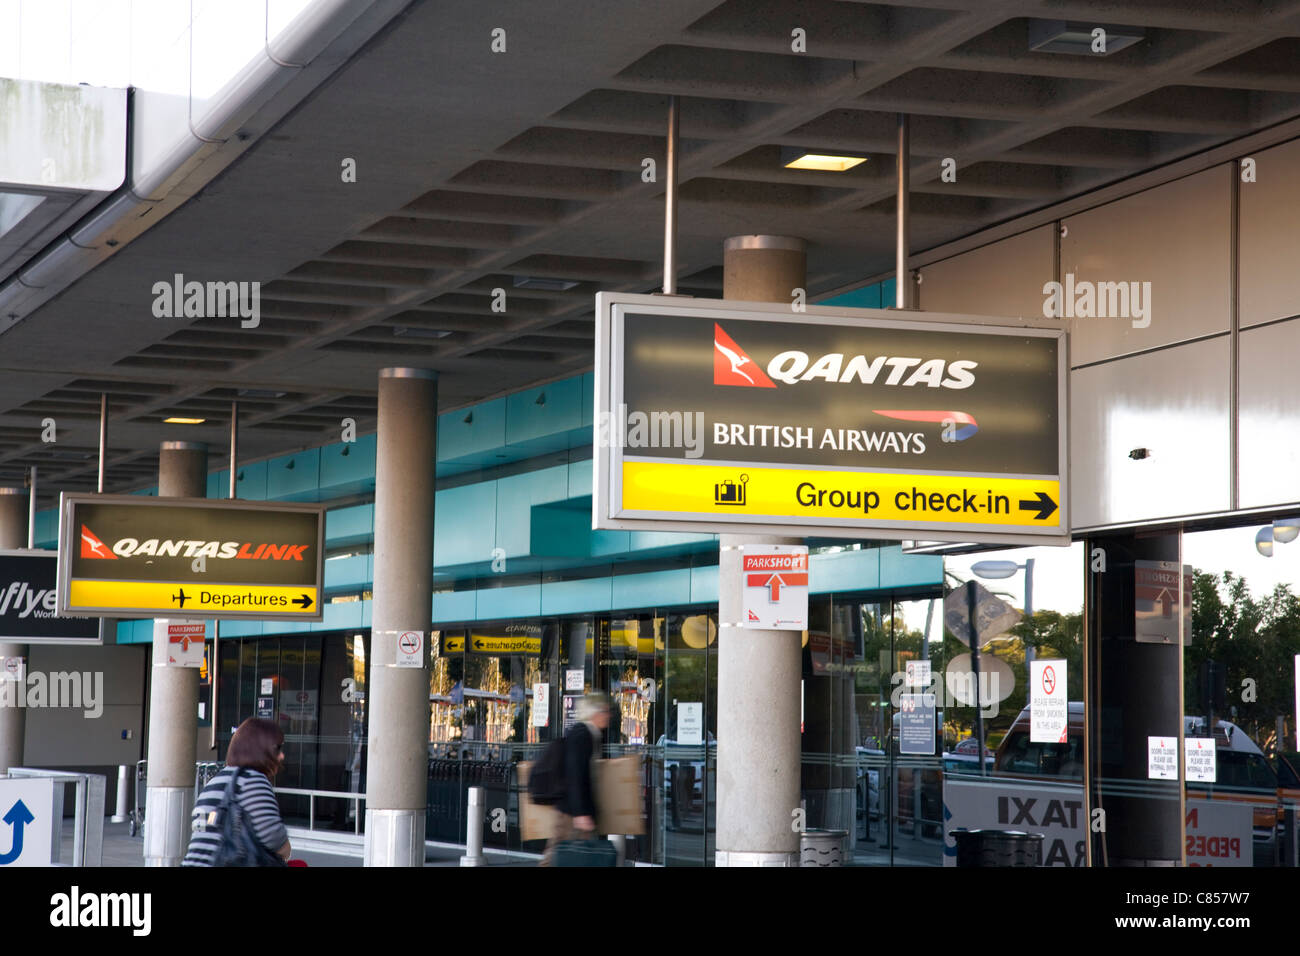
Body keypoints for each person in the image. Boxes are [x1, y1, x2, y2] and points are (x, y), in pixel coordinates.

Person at [183, 717, 291, 866]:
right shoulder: (251, 779)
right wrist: (286, 851)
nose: (281, 756)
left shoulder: (214, 783)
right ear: (260, 749)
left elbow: (203, 832)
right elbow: (273, 837)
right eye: (277, 748)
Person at [540, 693, 611, 866]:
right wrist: (580, 813)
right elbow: (575, 774)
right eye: (605, 711)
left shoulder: (591, 734)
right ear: (595, 713)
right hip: (571, 812)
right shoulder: (582, 734)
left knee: (569, 857)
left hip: (575, 811)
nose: (608, 715)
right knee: (556, 858)